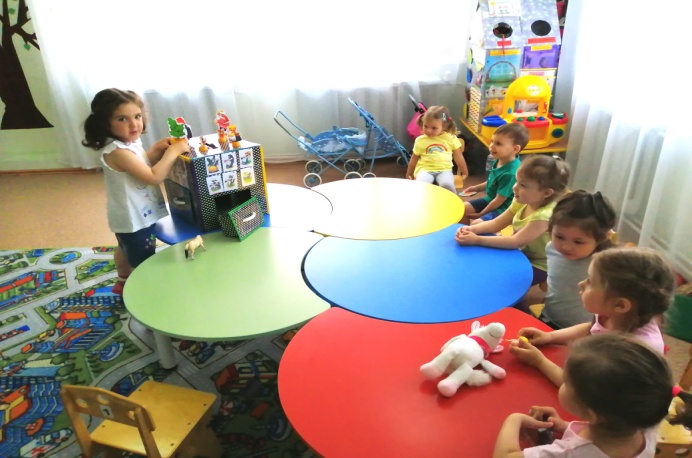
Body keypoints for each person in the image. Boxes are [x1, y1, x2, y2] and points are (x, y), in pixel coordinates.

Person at [494, 333, 692, 458]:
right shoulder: (644, 428)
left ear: (591, 413)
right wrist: (565, 427)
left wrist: (515, 419)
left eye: (567, 382)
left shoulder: (569, 453)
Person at [510, 246, 676, 387]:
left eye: (590, 281)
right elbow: (591, 328)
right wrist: (550, 336)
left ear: (620, 305)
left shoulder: (628, 353)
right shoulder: (615, 314)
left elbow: (577, 389)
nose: (581, 284)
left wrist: (539, 361)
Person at [82, 88, 190, 295]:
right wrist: (173, 152)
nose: (134, 124)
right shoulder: (118, 152)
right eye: (122, 119)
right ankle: (145, 293)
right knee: (142, 258)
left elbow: (141, 165)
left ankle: (122, 282)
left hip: (136, 211)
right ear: (105, 123)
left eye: (137, 116)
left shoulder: (128, 144)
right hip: (134, 218)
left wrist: (157, 149)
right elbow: (153, 176)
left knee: (125, 248)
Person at [455, 155, 570, 287]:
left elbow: (515, 241)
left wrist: (477, 240)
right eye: (516, 181)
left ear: (546, 193)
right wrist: (471, 229)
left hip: (540, 264)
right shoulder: (522, 200)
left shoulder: (544, 216)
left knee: (503, 283)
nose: (514, 188)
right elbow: (497, 223)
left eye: (523, 185)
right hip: (520, 252)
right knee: (484, 266)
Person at [540, 190, 617, 329]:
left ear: (601, 238)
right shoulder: (551, 248)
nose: (566, 246)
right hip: (549, 318)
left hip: (584, 330)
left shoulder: (606, 266)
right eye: (559, 237)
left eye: (578, 242)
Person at [460, 123, 528, 225]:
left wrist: (481, 214)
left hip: (503, 208)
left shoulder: (510, 173)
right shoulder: (499, 160)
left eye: (498, 143)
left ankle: (482, 233)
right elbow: (493, 181)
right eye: (492, 141)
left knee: (477, 224)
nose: (491, 146)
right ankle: (464, 232)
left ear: (515, 149)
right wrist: (476, 188)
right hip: (490, 199)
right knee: (461, 210)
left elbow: (499, 201)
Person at [406, 106, 469, 194]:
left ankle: (453, 202)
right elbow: (414, 158)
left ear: (444, 126)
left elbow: (459, 157)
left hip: (444, 170)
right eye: (426, 126)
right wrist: (409, 173)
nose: (428, 130)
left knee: (447, 184)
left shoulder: (451, 138)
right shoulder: (420, 140)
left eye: (434, 128)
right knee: (422, 186)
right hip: (424, 170)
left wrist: (465, 171)